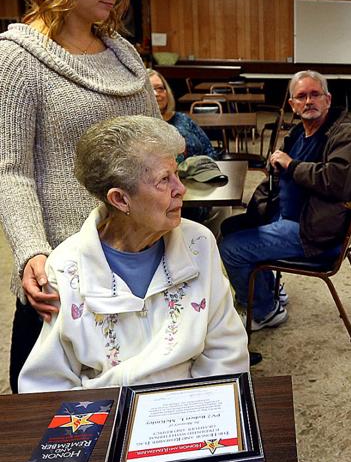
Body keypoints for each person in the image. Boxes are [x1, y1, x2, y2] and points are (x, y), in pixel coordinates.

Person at [0, 0, 158, 393]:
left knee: (133, 381)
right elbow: (11, 170)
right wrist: (31, 249)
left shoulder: (123, 54)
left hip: (133, 250)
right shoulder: (19, 58)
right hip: (65, 259)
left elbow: (156, 140)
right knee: (48, 405)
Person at [17, 116, 248, 392]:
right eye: (164, 180)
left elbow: (226, 351)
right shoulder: (66, 267)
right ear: (120, 199)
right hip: (109, 407)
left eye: (177, 174)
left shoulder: (199, 242)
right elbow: (47, 383)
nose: (181, 189)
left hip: (191, 405)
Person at [218, 70, 351, 330]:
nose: (308, 101)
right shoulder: (300, 132)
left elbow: (335, 182)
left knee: (231, 248)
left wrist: (290, 165)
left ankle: (264, 311)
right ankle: (268, 291)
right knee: (229, 228)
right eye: (301, 96)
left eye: (315, 94)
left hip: (316, 231)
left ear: (328, 99)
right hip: (298, 217)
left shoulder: (346, 136)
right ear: (292, 104)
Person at [150, 68, 220, 160]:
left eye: (160, 88)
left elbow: (209, 150)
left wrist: (209, 165)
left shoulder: (183, 118)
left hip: (202, 167)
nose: (156, 94)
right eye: (150, 90)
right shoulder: (142, 129)